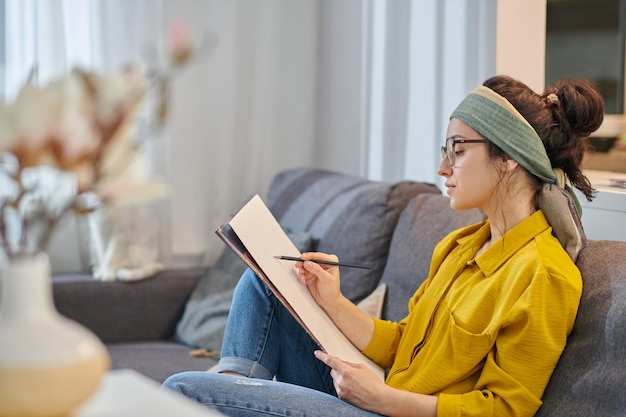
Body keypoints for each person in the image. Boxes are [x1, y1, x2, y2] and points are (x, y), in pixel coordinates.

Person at [162, 75, 604, 417]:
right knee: (264, 284)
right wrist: (331, 300)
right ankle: (231, 393)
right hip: (379, 397)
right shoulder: (460, 245)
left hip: (395, 410)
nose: (442, 167)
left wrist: (386, 399)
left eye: (458, 150)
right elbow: (401, 344)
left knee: (181, 390)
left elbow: (507, 409)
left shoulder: (544, 274)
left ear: (508, 158)